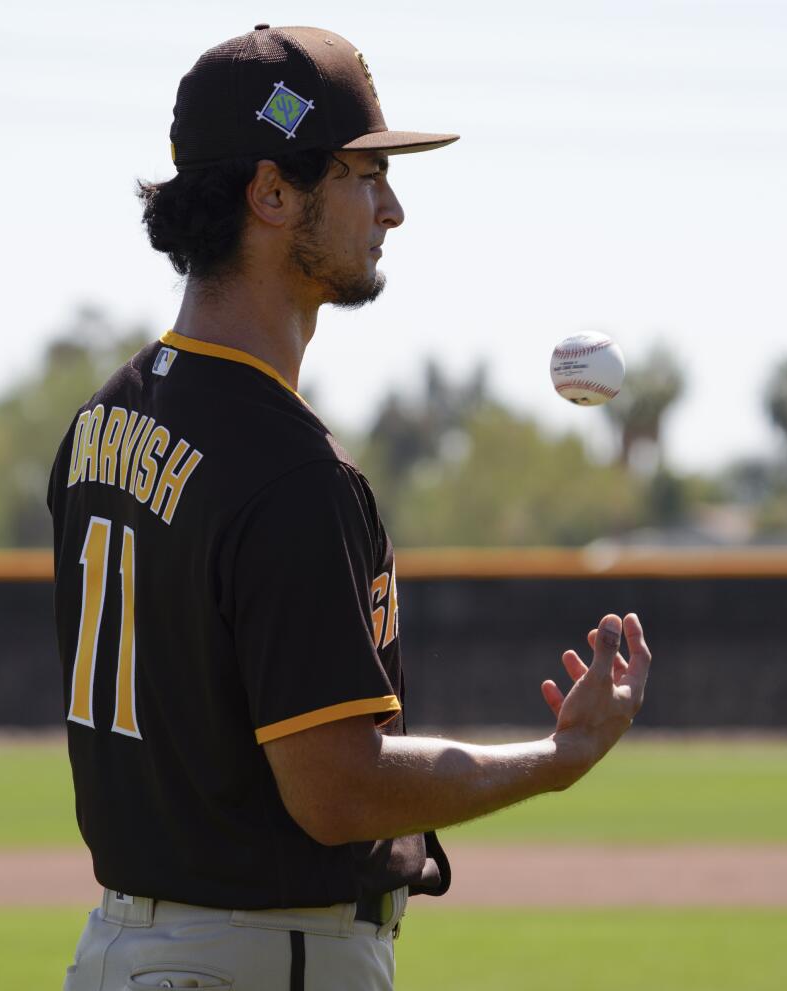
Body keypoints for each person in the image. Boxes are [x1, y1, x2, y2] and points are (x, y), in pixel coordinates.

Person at [46, 24, 652, 991]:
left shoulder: (103, 422)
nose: (394, 208)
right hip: (256, 961)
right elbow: (337, 790)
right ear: (272, 192)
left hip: (122, 951)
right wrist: (556, 756)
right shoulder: (290, 471)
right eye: (363, 174)